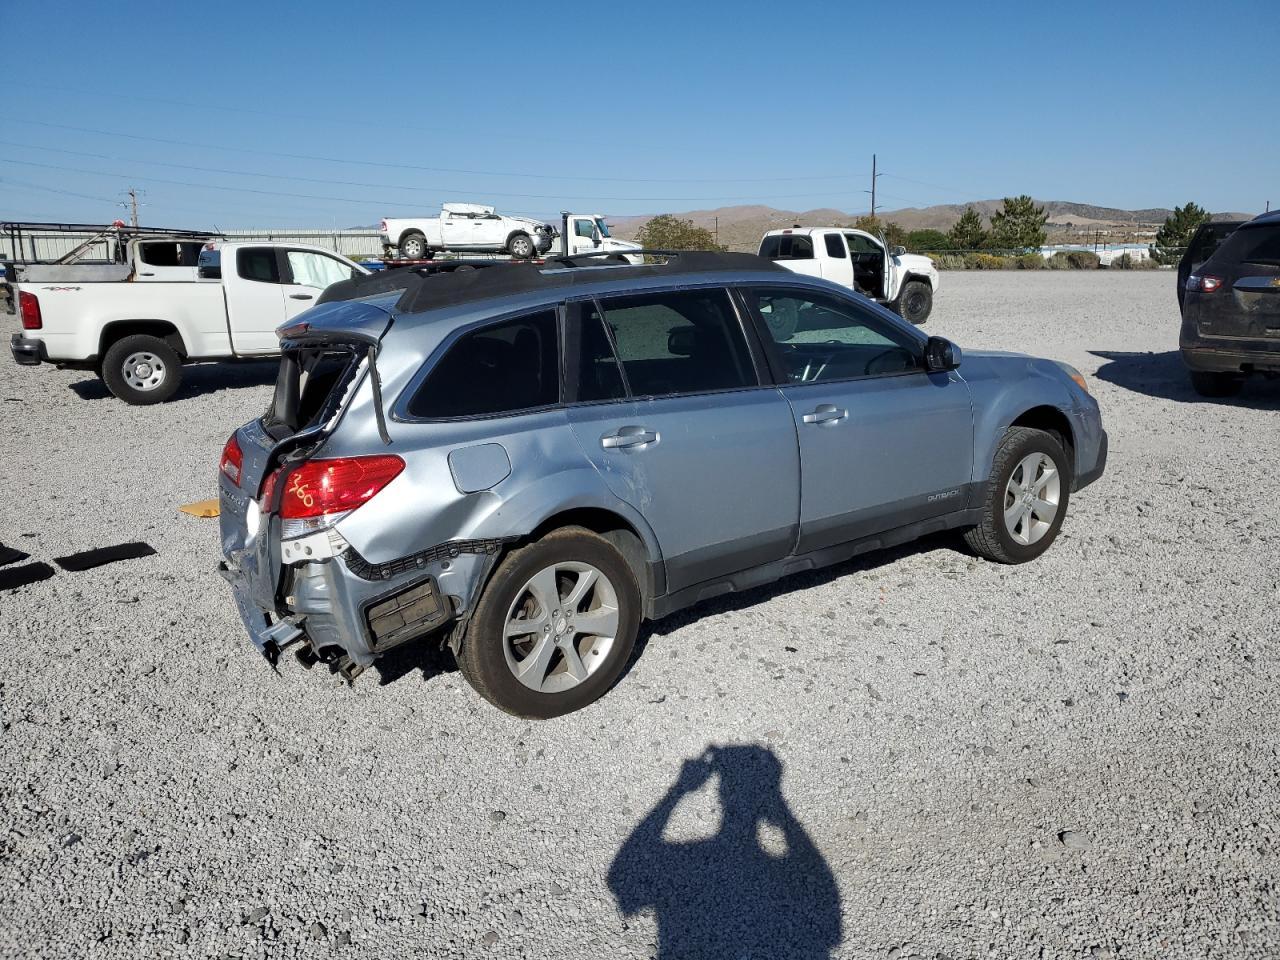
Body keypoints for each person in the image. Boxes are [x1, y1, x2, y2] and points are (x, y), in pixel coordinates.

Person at [608, 745, 842, 959]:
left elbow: (622, 875)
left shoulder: (688, 862)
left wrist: (678, 791)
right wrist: (778, 806)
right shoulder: (782, 873)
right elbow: (823, 899)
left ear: (720, 794)